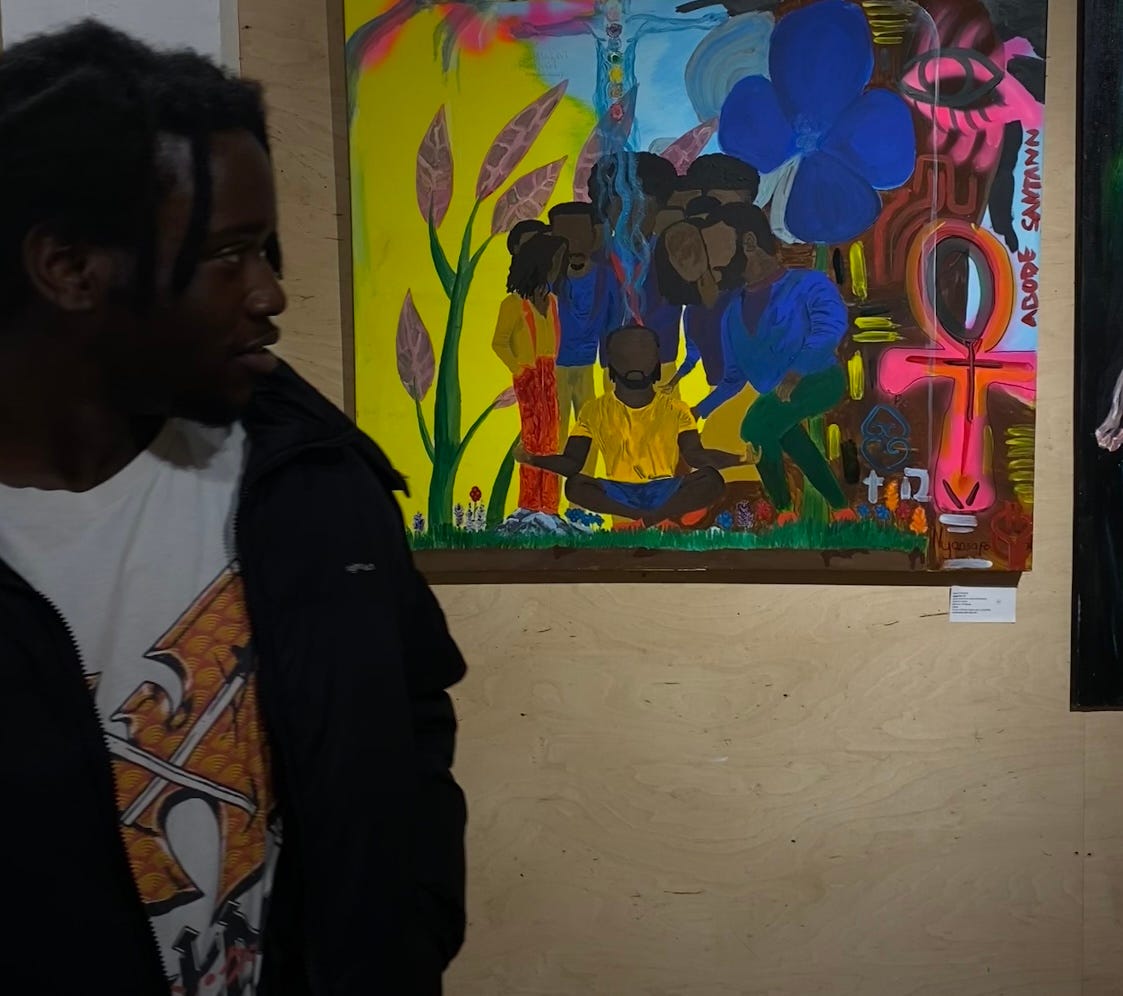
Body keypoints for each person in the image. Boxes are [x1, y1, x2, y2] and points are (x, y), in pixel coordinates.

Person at [0, 22, 466, 996]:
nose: (271, 293)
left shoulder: (308, 471)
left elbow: (409, 720)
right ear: (70, 269)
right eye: (229, 254)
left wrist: (405, 932)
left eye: (268, 249)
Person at [693, 205, 856, 523]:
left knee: (754, 426)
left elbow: (830, 326)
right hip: (778, 395)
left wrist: (797, 372)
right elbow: (733, 377)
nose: (712, 263)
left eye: (717, 248)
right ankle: (841, 509)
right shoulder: (732, 313)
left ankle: (783, 511)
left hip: (820, 378)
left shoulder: (808, 284)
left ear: (749, 243)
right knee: (792, 441)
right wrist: (699, 410)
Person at [515, 326, 756, 528]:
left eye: (642, 357)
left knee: (711, 480)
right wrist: (532, 459)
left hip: (665, 490)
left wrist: (741, 459)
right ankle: (644, 518)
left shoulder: (676, 409)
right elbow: (572, 463)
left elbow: (695, 456)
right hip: (618, 492)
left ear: (655, 363)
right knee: (576, 485)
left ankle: (650, 518)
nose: (635, 366)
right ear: (612, 365)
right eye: (627, 358)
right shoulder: (595, 409)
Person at [493, 233, 567, 515]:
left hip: (550, 376)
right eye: (555, 261)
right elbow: (499, 342)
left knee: (551, 441)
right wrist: (520, 369)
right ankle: (529, 505)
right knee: (533, 440)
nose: (558, 268)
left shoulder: (553, 302)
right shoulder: (513, 304)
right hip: (529, 377)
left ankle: (549, 506)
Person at [547, 202, 619, 440]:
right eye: (565, 237)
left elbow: (613, 322)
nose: (573, 244)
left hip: (586, 366)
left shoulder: (605, 276)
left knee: (589, 433)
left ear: (593, 237)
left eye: (579, 235)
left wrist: (609, 367)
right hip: (553, 367)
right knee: (555, 433)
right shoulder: (548, 278)